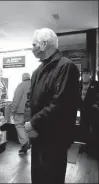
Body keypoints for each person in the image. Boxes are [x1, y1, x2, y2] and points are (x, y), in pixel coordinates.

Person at [25, 28, 80, 184]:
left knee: (52, 177)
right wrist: (31, 126)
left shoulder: (66, 67)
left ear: (44, 44)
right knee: (37, 176)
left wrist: (34, 123)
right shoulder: (36, 71)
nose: (32, 48)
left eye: (33, 44)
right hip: (37, 136)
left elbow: (61, 103)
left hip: (55, 137)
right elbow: (30, 100)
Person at [79, 69, 99, 158]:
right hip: (82, 110)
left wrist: (97, 104)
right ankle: (85, 146)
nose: (85, 75)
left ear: (90, 75)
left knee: (93, 129)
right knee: (84, 128)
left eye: (87, 73)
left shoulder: (96, 84)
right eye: (84, 73)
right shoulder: (77, 84)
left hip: (93, 111)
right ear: (81, 75)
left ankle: (92, 149)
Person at [10, 73, 31, 155]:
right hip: (33, 111)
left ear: (22, 78)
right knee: (27, 127)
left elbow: (16, 99)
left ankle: (25, 143)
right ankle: (26, 144)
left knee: (19, 125)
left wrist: (13, 110)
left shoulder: (21, 85)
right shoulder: (34, 84)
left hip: (21, 110)